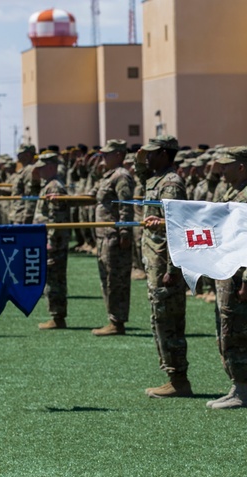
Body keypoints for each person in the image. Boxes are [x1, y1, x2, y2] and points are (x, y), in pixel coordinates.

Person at [206, 147, 247, 409]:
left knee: (237, 331)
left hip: (240, 275)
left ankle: (243, 391)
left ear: (241, 167)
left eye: (227, 165)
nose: (222, 169)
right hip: (226, 272)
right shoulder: (230, 193)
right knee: (225, 330)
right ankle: (235, 385)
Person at [140, 136, 192, 398]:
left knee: (169, 320)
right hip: (155, 262)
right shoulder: (157, 179)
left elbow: (176, 227)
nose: (146, 157)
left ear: (163, 153)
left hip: (165, 265)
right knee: (159, 319)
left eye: (151, 153)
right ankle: (173, 376)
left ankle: (178, 379)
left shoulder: (171, 184)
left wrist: (173, 268)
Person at [90, 139, 136, 336]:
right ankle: (113, 318)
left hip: (114, 237)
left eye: (107, 154)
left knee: (116, 280)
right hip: (104, 236)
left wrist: (124, 232)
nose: (103, 158)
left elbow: (125, 206)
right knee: (107, 278)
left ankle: (117, 322)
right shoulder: (108, 176)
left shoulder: (122, 176)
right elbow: (93, 196)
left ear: (118, 155)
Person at [33, 151, 73, 330]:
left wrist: (51, 240)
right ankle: (56, 316)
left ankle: (57, 317)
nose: (39, 171)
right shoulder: (48, 185)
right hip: (50, 240)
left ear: (51, 167)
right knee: (52, 278)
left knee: (55, 280)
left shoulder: (54, 187)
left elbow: (56, 218)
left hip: (54, 242)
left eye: (42, 167)